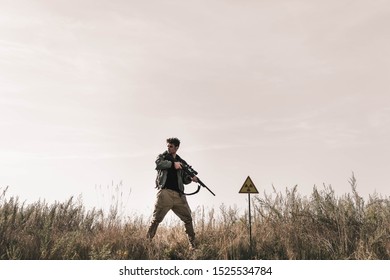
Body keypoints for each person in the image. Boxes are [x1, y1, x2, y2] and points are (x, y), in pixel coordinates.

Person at [146, 137, 198, 248]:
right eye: (168, 146)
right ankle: (147, 243)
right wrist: (172, 164)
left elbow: (184, 180)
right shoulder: (163, 157)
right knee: (156, 219)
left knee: (188, 219)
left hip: (179, 195)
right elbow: (158, 164)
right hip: (165, 193)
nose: (169, 148)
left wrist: (190, 178)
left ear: (177, 147)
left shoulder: (182, 162)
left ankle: (193, 246)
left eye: (171, 146)